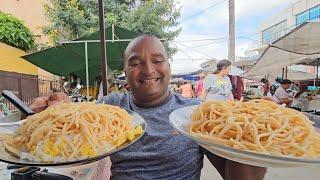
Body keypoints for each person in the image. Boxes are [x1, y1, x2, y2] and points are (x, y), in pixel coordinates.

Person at [30, 35, 266, 180]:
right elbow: (76, 119)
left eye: (157, 60)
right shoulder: (112, 107)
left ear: (169, 67)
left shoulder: (194, 113)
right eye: (135, 62)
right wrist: (54, 111)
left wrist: (251, 136)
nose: (148, 70)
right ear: (125, 71)